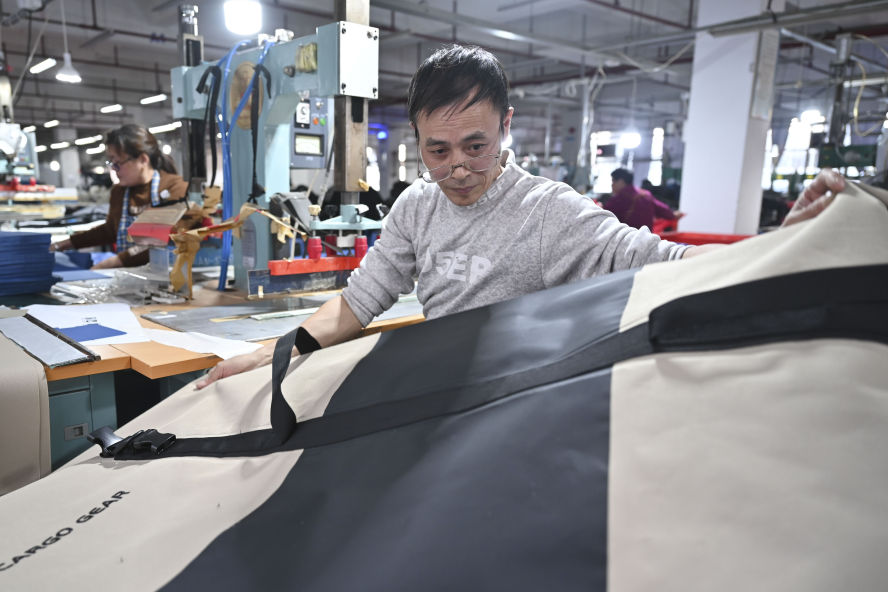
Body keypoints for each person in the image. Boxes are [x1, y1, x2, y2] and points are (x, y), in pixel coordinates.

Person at [195, 45, 846, 390]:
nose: (457, 168)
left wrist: (779, 246)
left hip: (516, 400)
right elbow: (356, 303)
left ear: (507, 126)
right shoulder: (416, 206)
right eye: (437, 151)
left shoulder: (550, 211)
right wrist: (275, 355)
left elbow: (666, 260)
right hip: (438, 393)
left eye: (475, 146)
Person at [50, 124, 188, 269]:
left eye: (118, 163)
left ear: (142, 160)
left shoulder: (174, 188)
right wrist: (63, 244)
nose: (114, 169)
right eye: (111, 162)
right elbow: (110, 230)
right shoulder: (120, 191)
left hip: (169, 275)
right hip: (131, 275)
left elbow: (162, 239)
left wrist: (113, 263)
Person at [604, 168, 676, 231]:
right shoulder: (646, 195)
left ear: (621, 181)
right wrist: (673, 214)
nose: (612, 185)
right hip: (647, 239)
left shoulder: (617, 200)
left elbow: (603, 219)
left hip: (627, 240)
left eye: (613, 181)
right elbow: (666, 211)